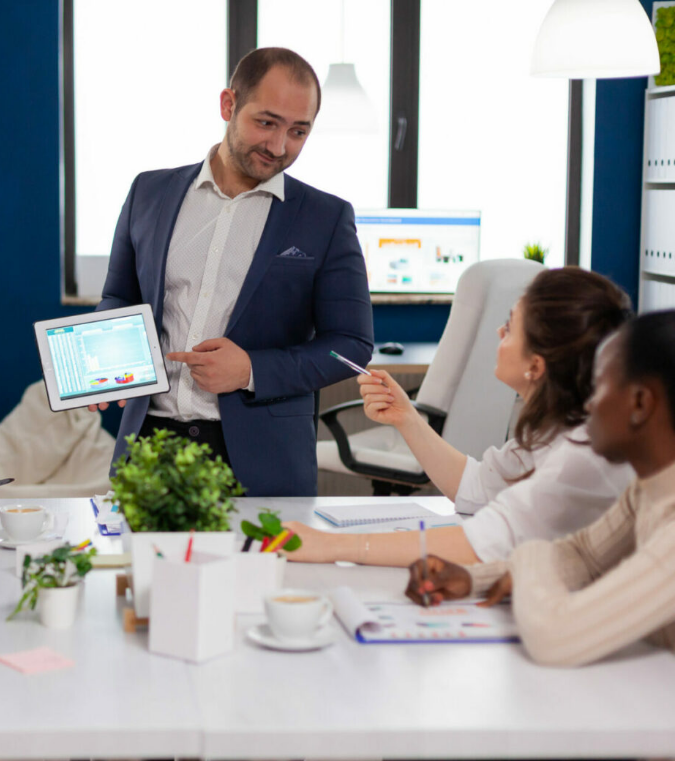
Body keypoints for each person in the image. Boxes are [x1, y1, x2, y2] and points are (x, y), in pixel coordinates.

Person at [94, 47, 373, 496]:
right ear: (228, 105)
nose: (279, 147)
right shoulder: (149, 192)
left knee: (262, 570)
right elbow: (120, 297)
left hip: (261, 461)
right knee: (141, 569)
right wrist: (106, 364)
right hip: (148, 446)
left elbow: (352, 346)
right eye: (266, 123)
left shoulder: (326, 218)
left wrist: (250, 370)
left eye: (298, 131)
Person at [285, 267, 635, 565]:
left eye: (510, 328)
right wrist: (406, 416)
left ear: (536, 365)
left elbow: (480, 541)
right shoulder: (559, 429)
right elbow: (475, 486)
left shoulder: (582, 455)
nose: (499, 333)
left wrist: (331, 545)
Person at [406, 310, 675, 667]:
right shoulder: (648, 489)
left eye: (602, 385)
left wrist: (524, 559)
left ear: (640, 403)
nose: (590, 402)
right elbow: (582, 556)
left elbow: (556, 636)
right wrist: (473, 577)